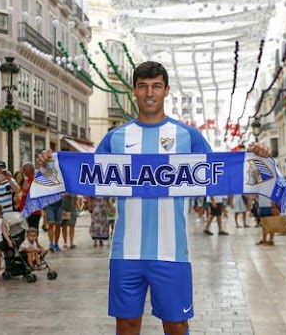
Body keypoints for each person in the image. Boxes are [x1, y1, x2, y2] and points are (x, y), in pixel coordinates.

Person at [38, 61, 271, 335]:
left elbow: (219, 170)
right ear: (134, 91)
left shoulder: (188, 136)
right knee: (126, 325)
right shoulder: (115, 138)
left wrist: (256, 156)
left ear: (166, 90)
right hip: (125, 252)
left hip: (172, 253)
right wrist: (50, 164)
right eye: (143, 86)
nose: (150, 93)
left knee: (176, 326)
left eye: (156, 86)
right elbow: (86, 174)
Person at [20, 162, 44, 231]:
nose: (23, 171)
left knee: (33, 230)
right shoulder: (26, 180)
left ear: (29, 170)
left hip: (33, 212)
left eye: (24, 169)